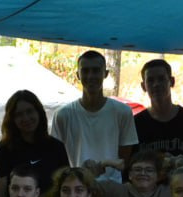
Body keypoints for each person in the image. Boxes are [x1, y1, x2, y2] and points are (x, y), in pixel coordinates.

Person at [50, 49, 138, 183]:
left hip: (112, 188)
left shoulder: (122, 112)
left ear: (105, 74)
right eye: (85, 71)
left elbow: (124, 160)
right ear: (78, 75)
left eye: (96, 70)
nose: (90, 76)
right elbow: (56, 158)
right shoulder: (63, 115)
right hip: (76, 188)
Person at [0, 89, 70, 197]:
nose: (26, 118)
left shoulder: (56, 147)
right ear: (12, 119)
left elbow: (66, 185)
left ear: (39, 112)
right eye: (19, 114)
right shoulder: (2, 150)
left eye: (30, 111)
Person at [133, 59, 183, 167]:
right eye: (150, 80)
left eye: (161, 79)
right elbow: (130, 165)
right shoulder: (136, 123)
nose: (156, 84)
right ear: (143, 86)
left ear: (172, 81)